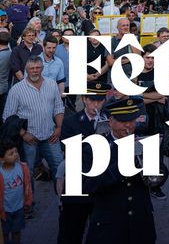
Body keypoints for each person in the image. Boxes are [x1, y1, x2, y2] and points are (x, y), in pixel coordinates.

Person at [81, 96, 159, 243]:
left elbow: (158, 177)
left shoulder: (144, 143)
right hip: (109, 226)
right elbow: (88, 185)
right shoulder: (92, 149)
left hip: (140, 224)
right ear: (110, 122)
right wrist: (122, 167)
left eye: (132, 121)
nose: (129, 126)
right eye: (123, 121)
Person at [57, 82, 110, 244]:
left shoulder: (110, 119)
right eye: (93, 100)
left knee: (103, 231)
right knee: (72, 230)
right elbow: (71, 152)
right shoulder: (71, 122)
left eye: (100, 100)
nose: (96, 104)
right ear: (84, 99)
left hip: (102, 184)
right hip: (78, 184)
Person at [3, 56, 63, 181]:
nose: (35, 70)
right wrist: (23, 134)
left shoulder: (51, 84)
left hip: (50, 135)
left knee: (60, 167)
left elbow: (58, 107)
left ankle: (62, 199)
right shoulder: (16, 90)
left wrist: (59, 127)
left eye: (38, 67)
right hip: (29, 140)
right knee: (28, 173)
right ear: (26, 69)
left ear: (42, 68)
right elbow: (7, 117)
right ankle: (29, 200)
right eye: (32, 68)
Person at [0, 140, 31, 244]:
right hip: (4, 211)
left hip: (19, 208)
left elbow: (28, 186)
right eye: (11, 154)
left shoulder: (23, 167)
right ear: (2, 158)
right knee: (4, 233)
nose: (15, 155)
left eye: (16, 152)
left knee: (16, 232)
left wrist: (28, 201)